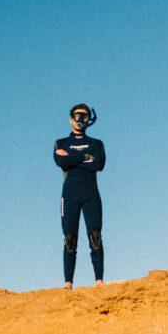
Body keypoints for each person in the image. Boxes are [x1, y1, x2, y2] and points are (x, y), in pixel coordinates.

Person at [53, 103, 106, 289]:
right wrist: (86, 157)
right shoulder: (61, 143)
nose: (81, 119)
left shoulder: (96, 143)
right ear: (71, 119)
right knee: (70, 239)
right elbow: (61, 161)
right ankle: (68, 284)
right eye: (77, 116)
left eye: (84, 116)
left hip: (91, 194)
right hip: (69, 195)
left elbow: (99, 164)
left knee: (95, 236)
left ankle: (99, 282)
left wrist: (72, 158)